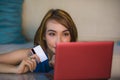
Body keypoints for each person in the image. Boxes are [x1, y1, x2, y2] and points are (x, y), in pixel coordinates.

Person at [0, 9, 78, 74]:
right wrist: (15, 69)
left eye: (65, 34)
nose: (59, 41)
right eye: (52, 34)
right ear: (44, 36)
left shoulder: (77, 56)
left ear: (71, 36)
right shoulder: (38, 54)